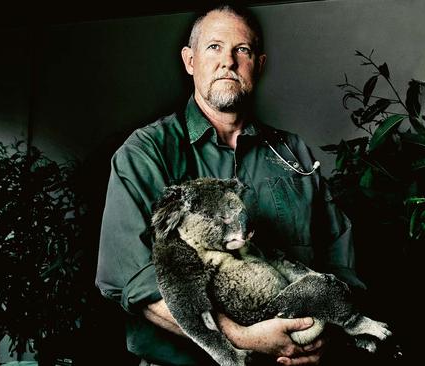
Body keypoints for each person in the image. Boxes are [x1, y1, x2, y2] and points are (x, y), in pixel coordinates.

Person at [96, 4, 364, 365]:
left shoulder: (293, 152)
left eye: (243, 50)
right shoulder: (146, 153)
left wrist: (325, 332)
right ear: (190, 61)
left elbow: (339, 258)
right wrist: (241, 338)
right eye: (214, 48)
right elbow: (130, 278)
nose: (229, 62)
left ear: (259, 64)